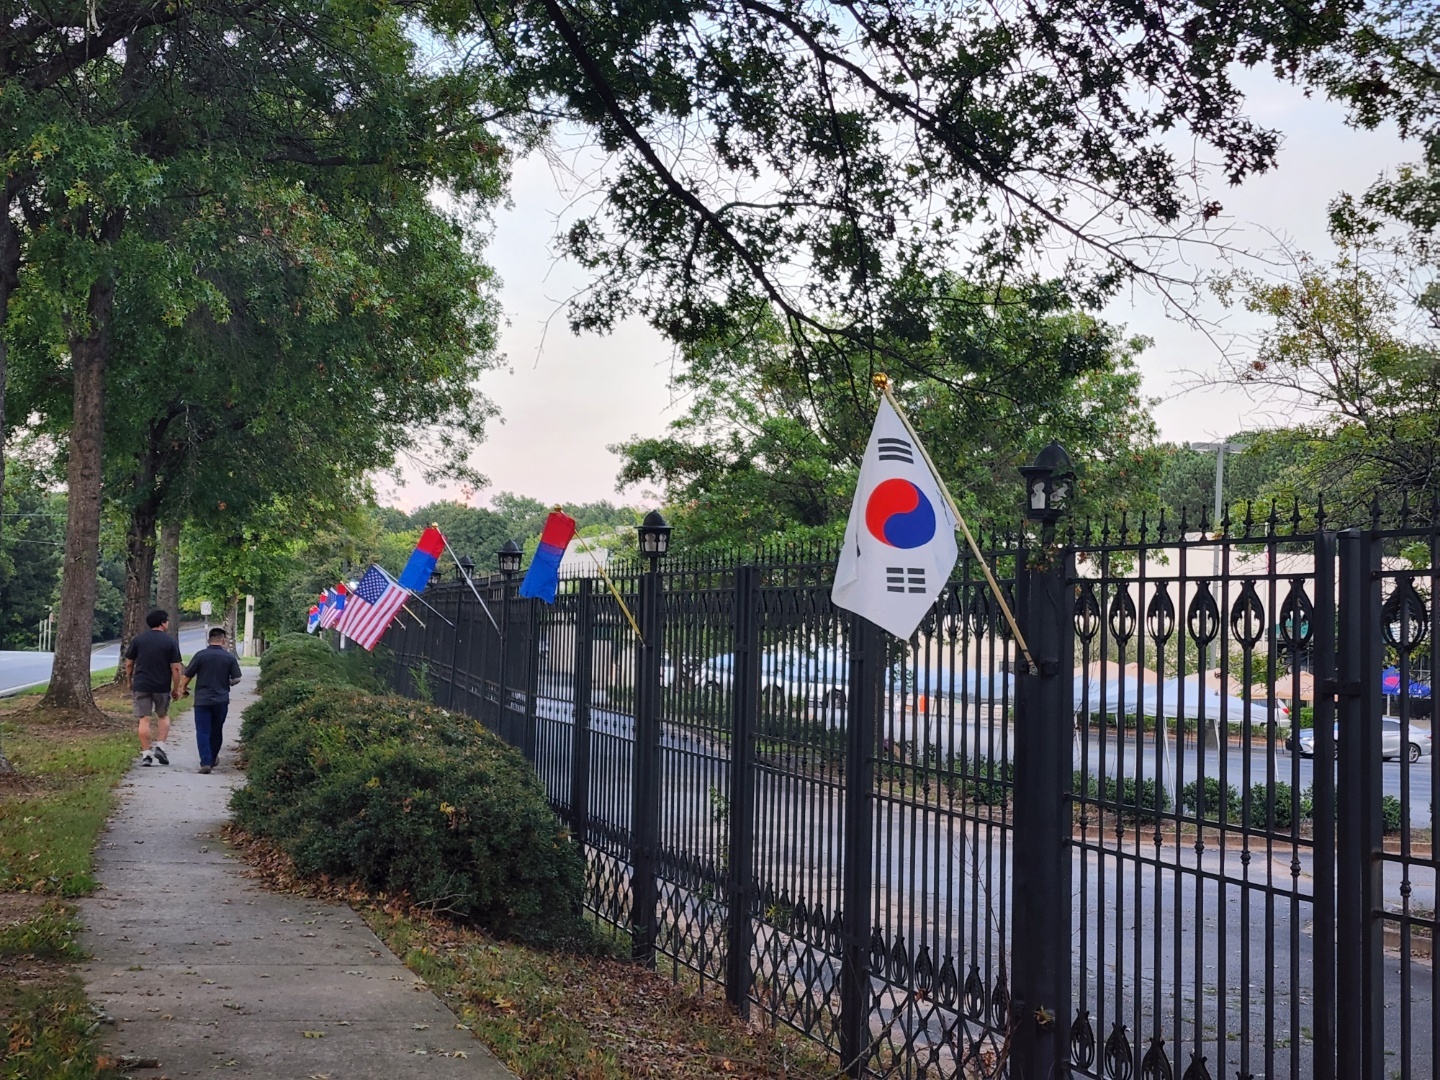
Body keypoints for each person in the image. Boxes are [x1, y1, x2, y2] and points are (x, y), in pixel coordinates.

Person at [178, 628, 242, 774]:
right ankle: (213, 758)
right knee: (216, 729)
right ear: (223, 640)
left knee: (202, 731)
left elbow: (187, 675)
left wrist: (182, 688)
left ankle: (205, 761)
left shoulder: (200, 655)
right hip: (221, 700)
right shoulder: (229, 657)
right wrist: (229, 682)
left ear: (209, 640)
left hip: (202, 700)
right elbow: (237, 678)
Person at [124, 609, 183, 766]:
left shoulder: (138, 640)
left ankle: (146, 755)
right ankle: (161, 746)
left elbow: (129, 664)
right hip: (161, 685)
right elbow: (176, 668)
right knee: (163, 716)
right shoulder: (170, 642)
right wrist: (176, 688)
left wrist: (130, 681)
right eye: (167, 621)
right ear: (163, 623)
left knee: (144, 719)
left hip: (141, 684)